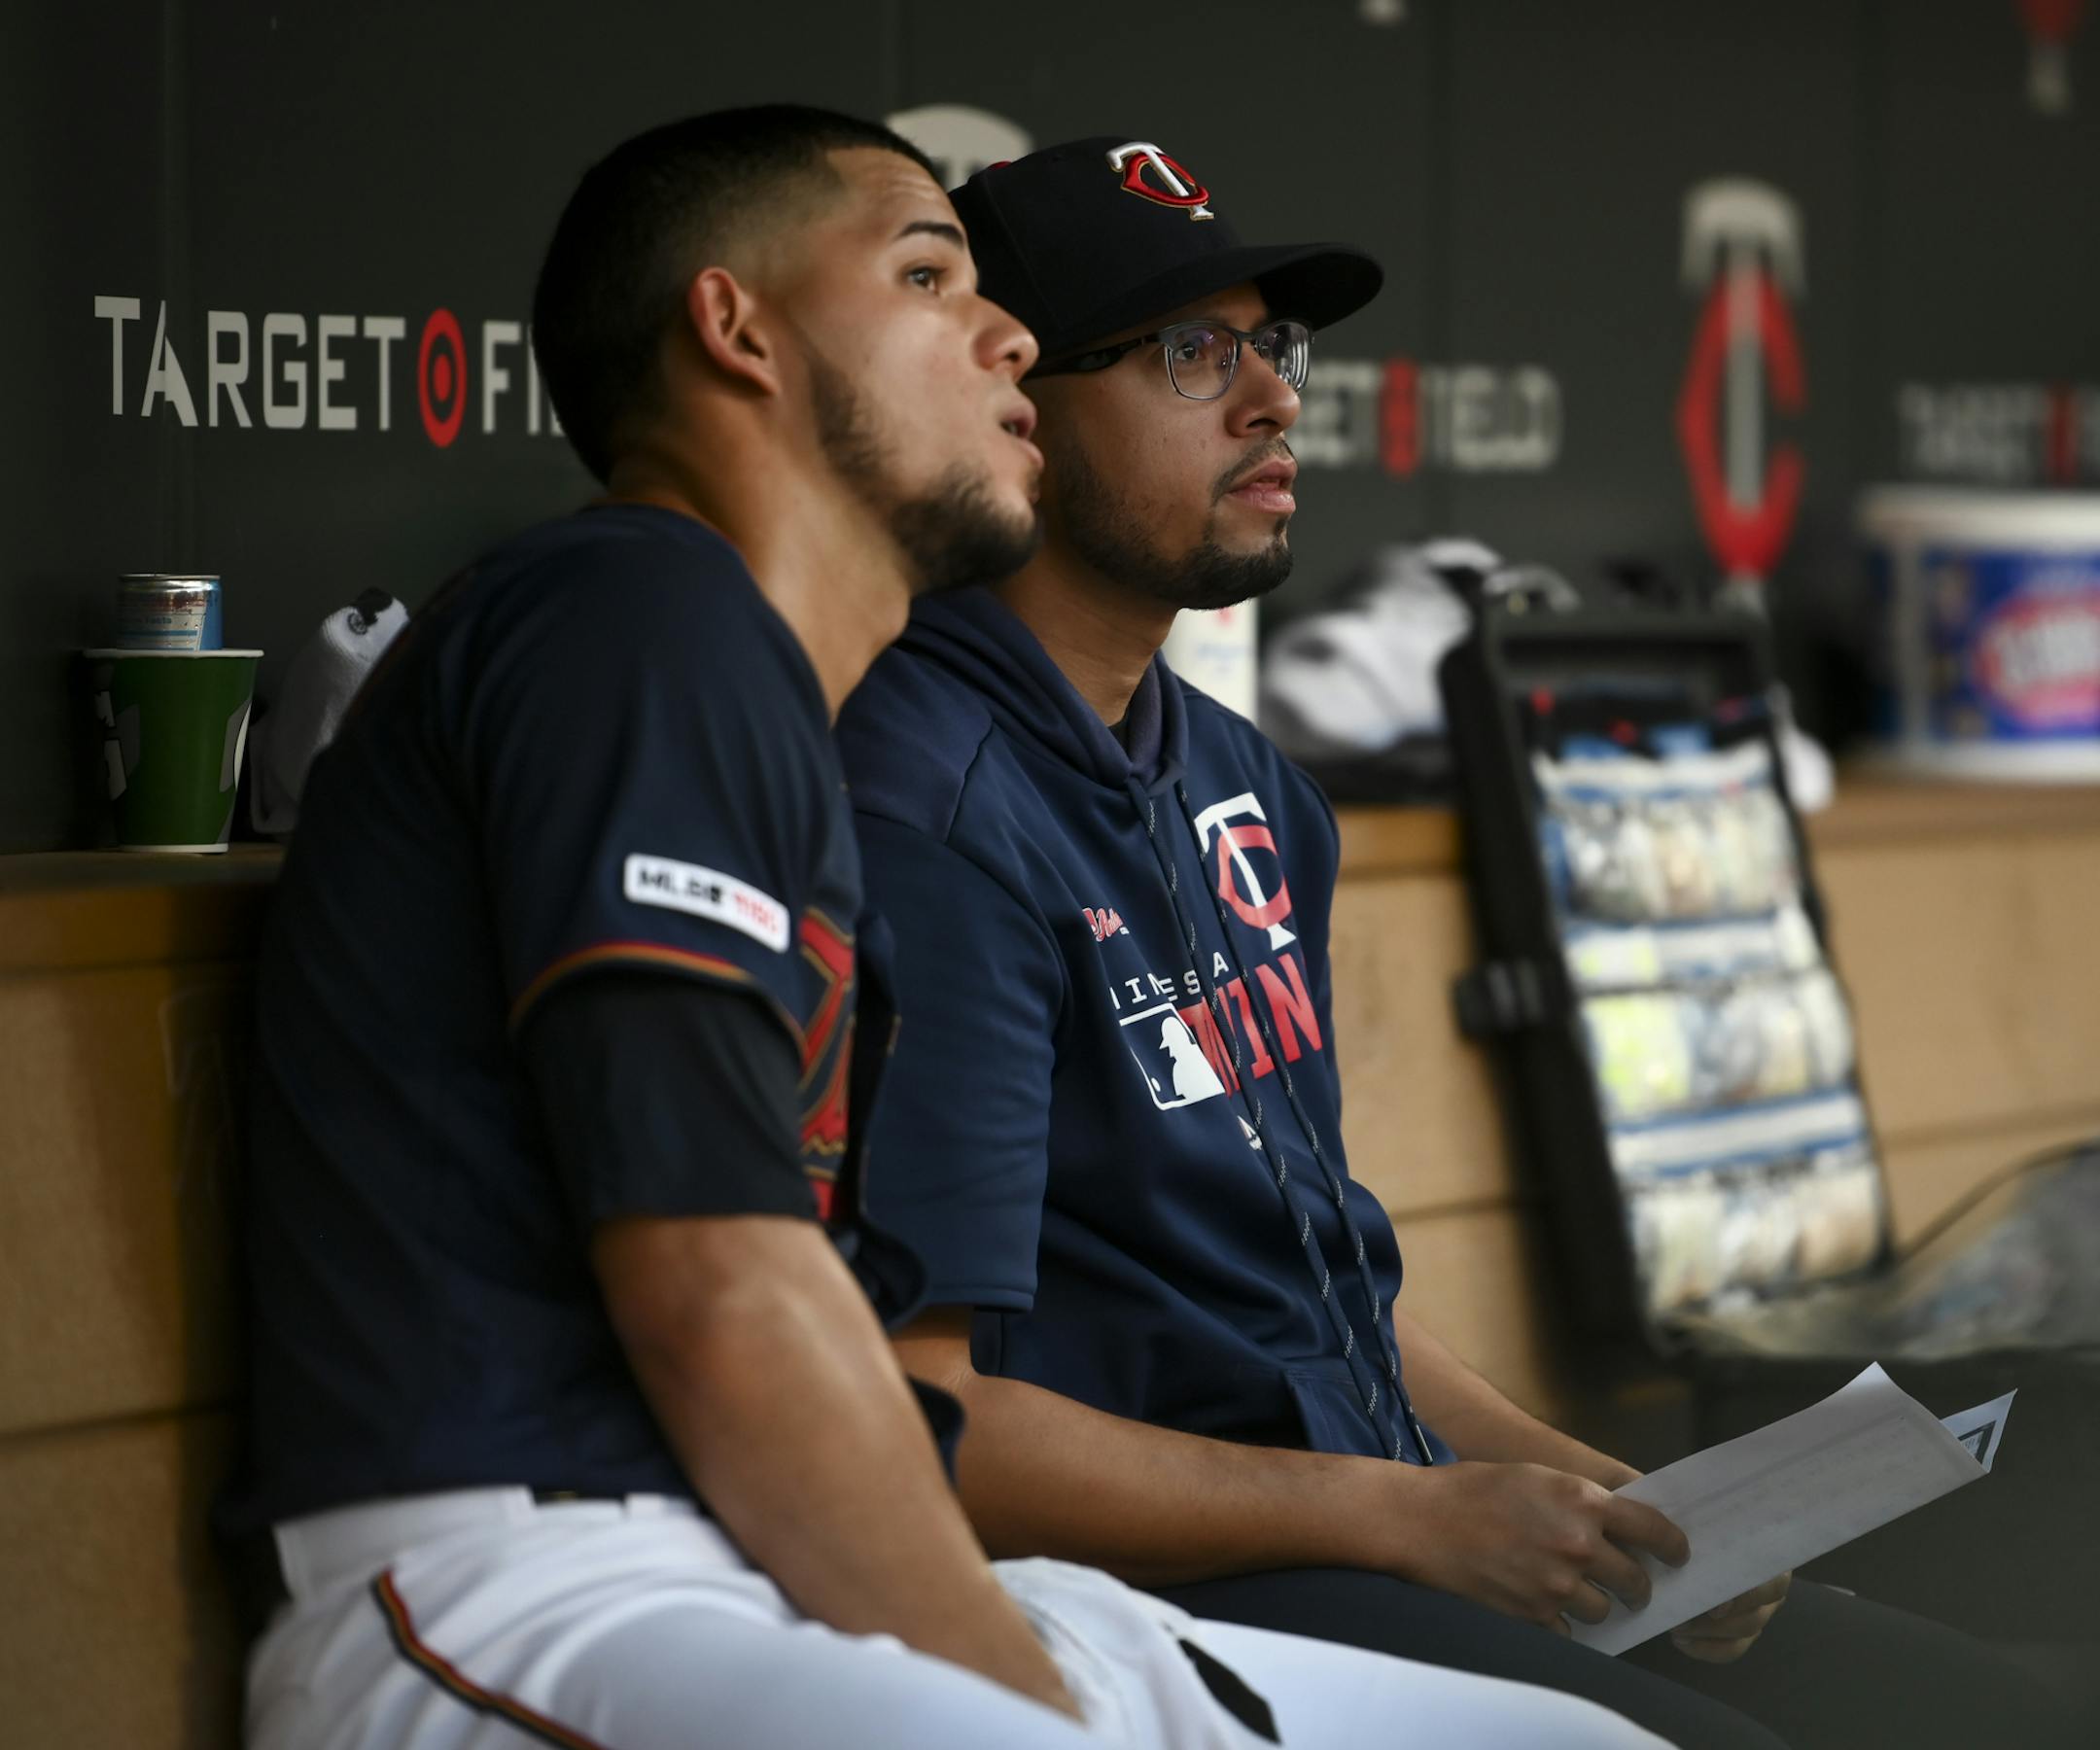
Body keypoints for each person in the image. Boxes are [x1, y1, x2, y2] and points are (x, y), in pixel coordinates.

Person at [219, 106, 1675, 1750]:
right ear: (737, 327)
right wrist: (1025, 1685)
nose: (1000, 333)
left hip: (771, 1566)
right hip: (534, 1568)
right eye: (929, 275)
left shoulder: (775, 685)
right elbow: (726, 1294)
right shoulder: (637, 614)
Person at [833, 136, 2080, 1750]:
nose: (1277, 401)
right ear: (1016, 403)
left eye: (1271, 347)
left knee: (1999, 1712)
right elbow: (935, 1431)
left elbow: (1323, 1288)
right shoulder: (923, 807)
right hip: (1168, 1587)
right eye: (1187, 353)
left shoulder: (1248, 783)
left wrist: (1598, 1494)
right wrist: (1411, 1519)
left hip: (1377, 1527)